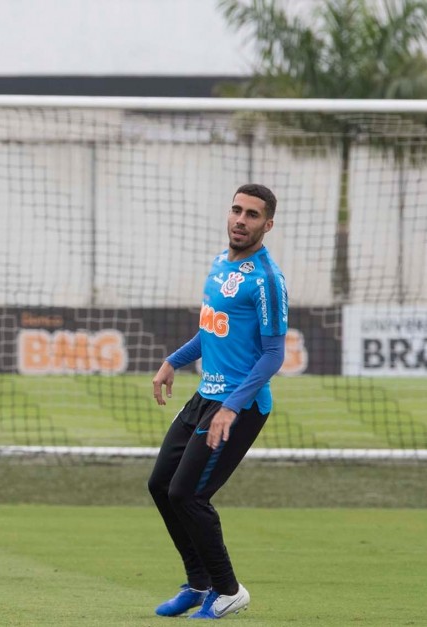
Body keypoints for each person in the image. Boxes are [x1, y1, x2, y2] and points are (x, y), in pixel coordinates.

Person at [147, 183, 286, 619]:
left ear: (268, 224)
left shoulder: (267, 279)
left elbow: (273, 353)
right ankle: (198, 582)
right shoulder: (217, 263)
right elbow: (211, 331)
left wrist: (231, 406)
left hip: (239, 408)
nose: (240, 220)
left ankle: (227, 590)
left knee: (188, 494)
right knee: (161, 486)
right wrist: (174, 360)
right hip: (205, 396)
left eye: (251, 214)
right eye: (236, 210)